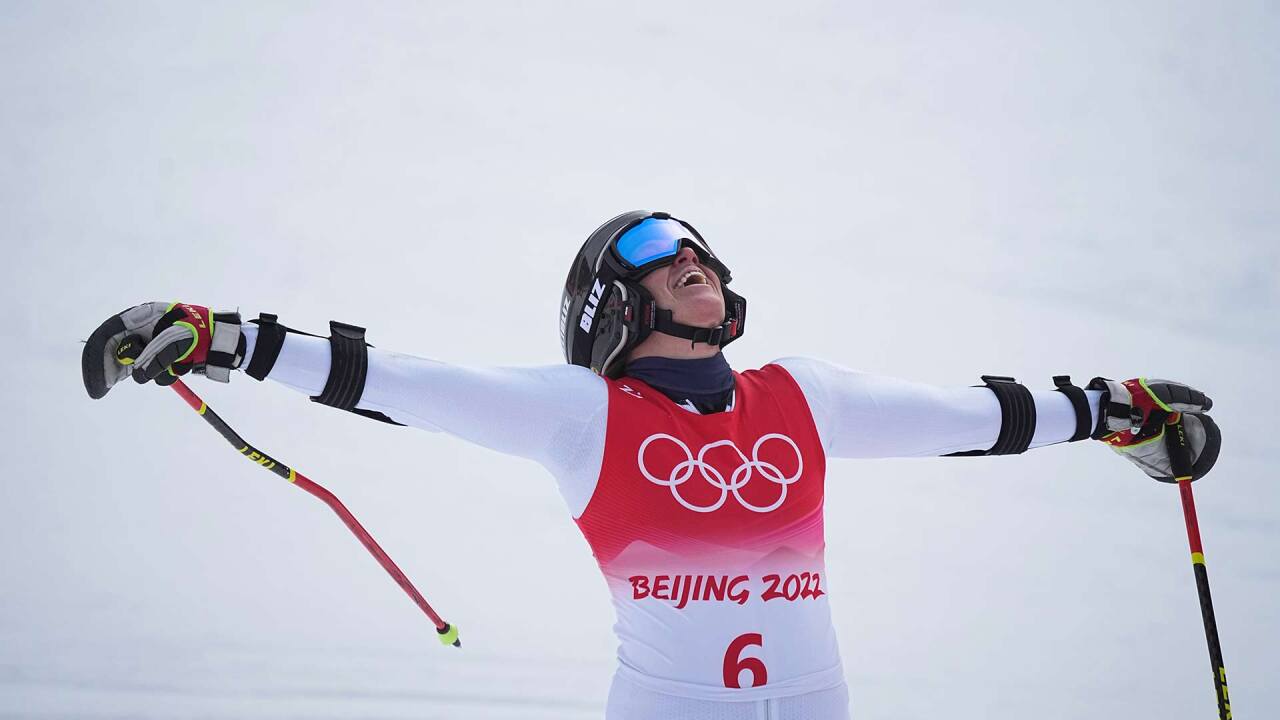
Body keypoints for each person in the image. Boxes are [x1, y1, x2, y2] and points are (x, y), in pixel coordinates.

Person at [82, 210, 1221, 720]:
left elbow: (973, 415)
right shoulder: (578, 414)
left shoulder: (802, 397)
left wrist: (1117, 414)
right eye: (659, 258)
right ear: (609, 303)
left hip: (820, 709)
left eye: (700, 253)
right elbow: (396, 378)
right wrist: (224, 335)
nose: (694, 267)